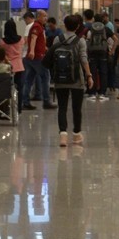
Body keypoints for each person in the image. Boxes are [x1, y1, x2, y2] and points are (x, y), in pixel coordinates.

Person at [52, 13, 92, 146]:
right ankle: (76, 135)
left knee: (62, 107)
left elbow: (52, 57)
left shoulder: (57, 39)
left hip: (60, 78)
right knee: (77, 108)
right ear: (78, 26)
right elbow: (83, 59)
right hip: (77, 79)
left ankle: (63, 135)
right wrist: (89, 75)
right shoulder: (80, 41)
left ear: (64, 25)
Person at [24, 11, 51, 109]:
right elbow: (33, 38)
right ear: (38, 16)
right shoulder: (37, 26)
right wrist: (32, 51)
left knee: (29, 80)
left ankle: (25, 102)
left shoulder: (39, 26)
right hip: (37, 58)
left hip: (33, 58)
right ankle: (46, 101)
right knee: (45, 77)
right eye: (44, 16)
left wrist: (45, 47)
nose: (46, 18)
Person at [3, 14, 29, 112]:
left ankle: (6, 109)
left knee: (5, 88)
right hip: (19, 66)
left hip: (7, 67)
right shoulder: (21, 39)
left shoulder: (2, 42)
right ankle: (19, 108)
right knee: (20, 88)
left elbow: (1, 54)